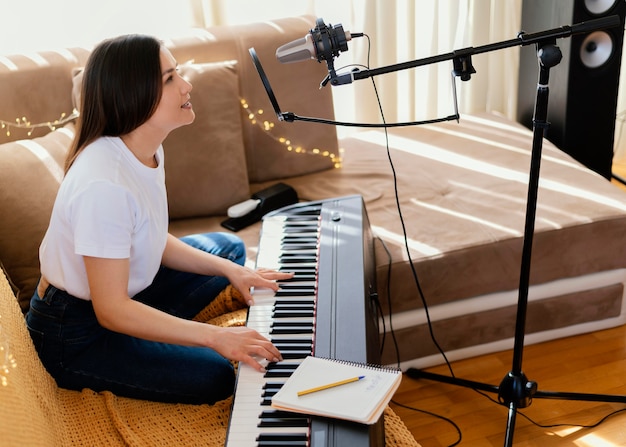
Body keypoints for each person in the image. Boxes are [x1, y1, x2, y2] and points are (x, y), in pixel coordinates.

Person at [25, 34, 292, 405]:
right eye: (169, 79)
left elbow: (149, 235)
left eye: (177, 73)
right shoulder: (104, 186)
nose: (187, 85)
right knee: (214, 375)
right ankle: (139, 340)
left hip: (119, 295)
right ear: (134, 96)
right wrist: (216, 337)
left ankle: (147, 332)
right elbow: (111, 309)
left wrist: (235, 273)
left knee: (228, 253)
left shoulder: (144, 150)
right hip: (76, 332)